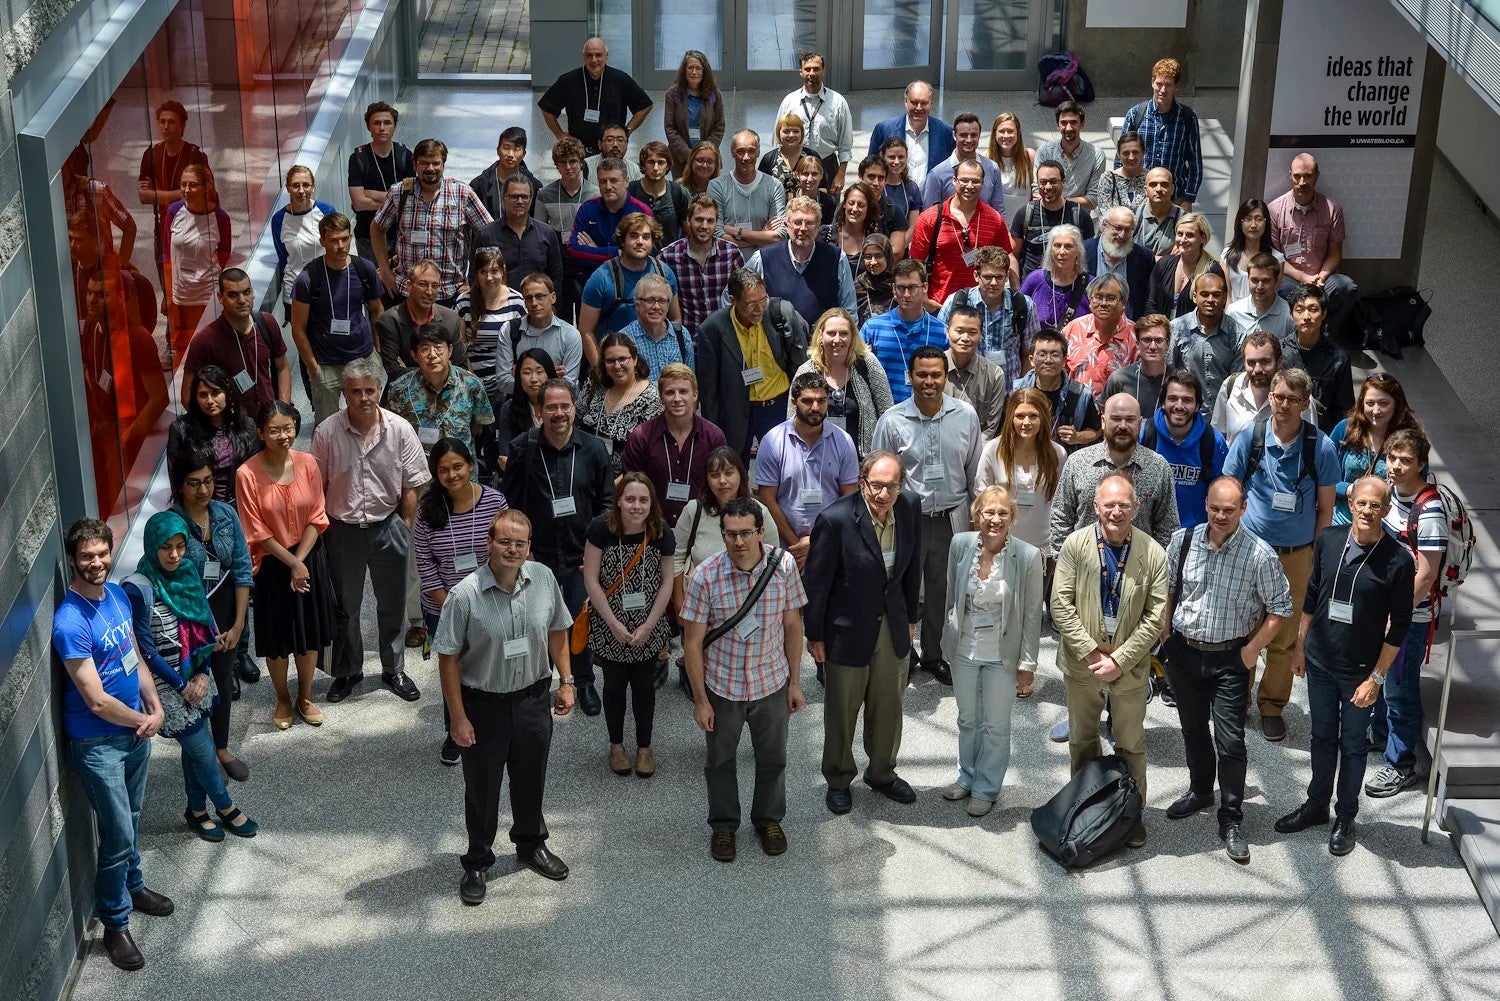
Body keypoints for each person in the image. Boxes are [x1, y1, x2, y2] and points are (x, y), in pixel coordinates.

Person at [435, 508, 575, 905]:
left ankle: (531, 845)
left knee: (531, 779)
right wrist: (458, 718)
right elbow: (447, 658)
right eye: (504, 541)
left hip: (533, 699)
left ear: (529, 547)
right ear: (489, 544)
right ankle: (478, 860)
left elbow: (557, 628)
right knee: (482, 790)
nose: (512, 549)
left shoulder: (544, 578)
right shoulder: (464, 595)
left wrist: (566, 681)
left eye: (520, 543)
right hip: (484, 706)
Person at [53, 518, 172, 972]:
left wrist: (155, 705)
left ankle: (133, 885)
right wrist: (145, 719)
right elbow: (96, 700)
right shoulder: (69, 621)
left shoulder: (118, 596)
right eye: (87, 556)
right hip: (99, 742)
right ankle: (114, 922)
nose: (97, 562)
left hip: (135, 732)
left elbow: (135, 657)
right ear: (72, 560)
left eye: (102, 553)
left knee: (134, 818)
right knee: (119, 829)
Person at [1276, 477, 1412, 856]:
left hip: (1360, 672)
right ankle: (1316, 805)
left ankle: (1345, 816)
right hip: (1320, 661)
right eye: (1362, 503)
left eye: (1376, 506)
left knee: (1353, 746)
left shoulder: (1398, 560)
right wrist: (1300, 647)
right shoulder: (1329, 540)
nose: (1367, 511)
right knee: (1321, 737)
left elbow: (1400, 626)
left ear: (1386, 510)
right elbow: (1313, 593)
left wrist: (1377, 678)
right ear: (1350, 503)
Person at [1159, 477, 1291, 863]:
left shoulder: (1259, 555)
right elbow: (1170, 587)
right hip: (1184, 652)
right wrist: (1167, 630)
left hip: (1229, 658)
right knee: (1192, 729)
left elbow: (1280, 607)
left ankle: (1231, 816)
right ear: (1206, 505)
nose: (1220, 516)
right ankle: (1200, 791)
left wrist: (1251, 651)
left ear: (1243, 509)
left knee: (1230, 740)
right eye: (1215, 508)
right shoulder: (1183, 541)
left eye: (1229, 510)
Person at [681, 498, 807, 863]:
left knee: (773, 758)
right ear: (722, 534)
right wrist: (701, 700)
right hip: (723, 687)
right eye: (730, 534)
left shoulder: (783, 566)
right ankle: (723, 825)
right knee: (719, 760)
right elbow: (692, 642)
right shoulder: (705, 575)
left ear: (760, 532)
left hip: (771, 682)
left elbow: (793, 625)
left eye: (745, 533)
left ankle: (768, 819)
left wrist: (795, 682)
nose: (738, 542)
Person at [123, 510, 259, 843]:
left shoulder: (186, 573)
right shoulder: (138, 587)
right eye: (166, 547)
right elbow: (147, 652)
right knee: (202, 748)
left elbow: (201, 629)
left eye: (180, 546)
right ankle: (226, 807)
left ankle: (196, 811)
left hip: (195, 673)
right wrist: (183, 685)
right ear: (152, 545)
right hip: (165, 684)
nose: (174, 555)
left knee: (192, 749)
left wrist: (200, 673)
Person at [1051, 475, 1169, 848]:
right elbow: (1060, 604)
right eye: (1109, 505)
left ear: (1136, 508)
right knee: (1083, 741)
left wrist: (1119, 660)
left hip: (1129, 668)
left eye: (1124, 505)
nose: (1116, 512)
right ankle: (1084, 812)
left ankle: (1131, 817)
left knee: (1130, 743)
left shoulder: (1153, 553)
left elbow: (1156, 617)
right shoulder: (1075, 545)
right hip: (1082, 665)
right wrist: (1091, 651)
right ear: (1096, 507)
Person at [1222, 367, 1339, 741]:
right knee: (1244, 626)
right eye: (1278, 396)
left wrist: (1318, 555)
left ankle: (1272, 705)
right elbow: (1229, 488)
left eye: (1292, 399)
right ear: (1269, 397)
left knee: (1285, 635)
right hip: (1251, 551)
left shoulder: (1319, 447)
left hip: (1297, 554)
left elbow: (1325, 508)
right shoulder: (1250, 438)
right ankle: (1238, 700)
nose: (1284, 405)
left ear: (1305, 404)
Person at [804, 451, 922, 812]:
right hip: (847, 630)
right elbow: (817, 583)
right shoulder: (835, 519)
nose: (883, 495)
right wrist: (815, 636)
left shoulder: (908, 506)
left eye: (891, 487)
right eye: (876, 486)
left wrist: (912, 615)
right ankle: (839, 779)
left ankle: (882, 772)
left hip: (893, 624)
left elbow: (913, 562)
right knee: (842, 710)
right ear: (862, 482)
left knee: (889, 705)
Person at [310, 359, 431, 703]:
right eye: (355, 391)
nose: (363, 397)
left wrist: (404, 526)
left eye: (369, 390)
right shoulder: (326, 433)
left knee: (391, 605)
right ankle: (349, 671)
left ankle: (393, 670)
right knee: (346, 608)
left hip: (388, 527)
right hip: (342, 531)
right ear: (344, 394)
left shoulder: (400, 429)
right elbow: (316, 486)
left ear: (379, 390)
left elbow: (411, 485)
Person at [501, 378, 615, 717]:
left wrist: (597, 551)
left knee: (579, 620)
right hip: (538, 556)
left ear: (575, 408)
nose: (559, 413)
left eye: (565, 406)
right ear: (539, 411)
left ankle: (583, 681)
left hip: (581, 554)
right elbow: (511, 504)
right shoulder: (523, 448)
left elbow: (606, 504)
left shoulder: (594, 449)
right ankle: (540, 682)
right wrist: (525, 551)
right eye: (551, 407)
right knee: (537, 620)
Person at [872, 346, 985, 685]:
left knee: (942, 591)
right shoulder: (892, 420)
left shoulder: (965, 416)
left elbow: (974, 471)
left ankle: (934, 655)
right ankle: (902, 656)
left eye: (936, 374)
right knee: (901, 589)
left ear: (945, 375)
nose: (929, 381)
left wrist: (974, 521)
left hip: (951, 518)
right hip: (907, 519)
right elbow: (879, 472)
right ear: (910, 376)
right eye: (922, 374)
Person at [941, 485, 1044, 815]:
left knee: (996, 725)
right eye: (988, 512)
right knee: (967, 719)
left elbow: (1031, 615)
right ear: (976, 515)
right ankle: (966, 777)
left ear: (1012, 517)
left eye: (1002, 513)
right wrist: (948, 636)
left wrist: (1027, 663)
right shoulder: (960, 546)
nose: (995, 519)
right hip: (964, 650)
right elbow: (950, 598)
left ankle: (986, 788)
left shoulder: (1027, 556)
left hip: (1003, 653)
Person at [235, 401, 336, 729]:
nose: (283, 436)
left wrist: (301, 562)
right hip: (273, 563)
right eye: (274, 430)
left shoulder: (308, 463)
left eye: (289, 428)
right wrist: (292, 562)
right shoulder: (246, 473)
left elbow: (317, 514)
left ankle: (305, 696)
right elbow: (255, 530)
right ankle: (282, 697)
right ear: (261, 433)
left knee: (309, 633)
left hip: (308, 558)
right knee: (277, 636)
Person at [414, 437, 509, 766]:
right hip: (443, 607)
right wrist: (452, 606)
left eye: (457, 467)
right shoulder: (427, 512)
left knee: (488, 666)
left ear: (471, 466)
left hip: (490, 603)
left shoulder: (495, 501)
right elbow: (425, 565)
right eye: (443, 469)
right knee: (452, 669)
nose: (452, 474)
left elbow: (507, 551)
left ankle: (490, 727)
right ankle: (454, 729)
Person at [1369, 428, 1446, 799]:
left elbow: (1427, 574)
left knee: (1400, 688)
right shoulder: (1391, 494)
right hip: (1384, 610)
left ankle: (1401, 764)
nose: (1396, 466)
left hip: (1410, 619)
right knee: (1381, 680)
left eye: (1405, 460)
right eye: (1392, 457)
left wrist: (1395, 617)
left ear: (1420, 464)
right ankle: (1381, 736)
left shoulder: (1429, 511)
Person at [169, 451, 253, 780]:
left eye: (208, 481)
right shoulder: (171, 524)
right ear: (179, 485)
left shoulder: (225, 513)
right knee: (196, 684)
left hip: (228, 609)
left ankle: (221, 746)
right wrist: (198, 629)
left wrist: (239, 624)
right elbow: (170, 581)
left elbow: (243, 568)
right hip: (192, 617)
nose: (203, 490)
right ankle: (200, 752)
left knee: (222, 678)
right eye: (194, 484)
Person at [584, 474, 675, 777]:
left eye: (644, 500)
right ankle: (616, 746)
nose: (637, 506)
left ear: (652, 503)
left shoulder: (660, 531)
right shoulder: (601, 528)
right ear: (619, 500)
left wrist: (650, 624)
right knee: (613, 686)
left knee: (644, 688)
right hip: (610, 624)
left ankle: (645, 748)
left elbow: (666, 582)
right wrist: (612, 623)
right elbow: (591, 580)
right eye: (631, 499)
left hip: (647, 625)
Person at [977, 390, 1067, 694]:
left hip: (1040, 550)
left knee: (1030, 614)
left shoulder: (1057, 454)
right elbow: (981, 498)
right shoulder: (993, 451)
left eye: (1032, 415)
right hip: (1001, 546)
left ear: (1044, 418)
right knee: (995, 609)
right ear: (1009, 417)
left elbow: (1061, 503)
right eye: (1019, 415)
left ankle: (1025, 671)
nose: (1026, 422)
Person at [671, 448, 776, 672]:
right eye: (714, 474)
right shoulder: (694, 510)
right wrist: (679, 602)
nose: (722, 481)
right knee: (703, 663)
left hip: (749, 606)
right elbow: (677, 557)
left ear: (741, 475)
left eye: (729, 473)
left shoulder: (760, 512)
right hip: (702, 609)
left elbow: (774, 560)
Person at [695, 268, 809, 463]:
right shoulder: (712, 329)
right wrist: (712, 431)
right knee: (735, 469)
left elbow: (801, 364)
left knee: (785, 466)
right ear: (733, 300)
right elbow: (709, 391)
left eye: (763, 300)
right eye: (751, 304)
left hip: (777, 407)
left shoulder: (779, 313)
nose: (759, 308)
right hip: (736, 411)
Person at [1048, 392, 1181, 558]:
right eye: (1116, 419)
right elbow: (1061, 516)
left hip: (1138, 573)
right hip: (1084, 567)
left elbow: (1167, 526)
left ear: (1139, 423)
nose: (1123, 426)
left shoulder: (1158, 467)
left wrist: (1153, 567)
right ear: (1103, 421)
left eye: (1130, 419)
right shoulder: (1077, 462)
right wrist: (1065, 562)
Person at [755, 371, 861, 569]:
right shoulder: (773, 441)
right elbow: (767, 498)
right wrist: (796, 544)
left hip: (831, 544)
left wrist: (817, 542)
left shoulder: (843, 441)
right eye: (807, 401)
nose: (815, 407)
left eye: (821, 401)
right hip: (786, 549)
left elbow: (849, 499)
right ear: (794, 402)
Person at [290, 212, 386, 427]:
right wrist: (313, 367)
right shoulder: (308, 278)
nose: (340, 246)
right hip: (325, 364)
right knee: (327, 427)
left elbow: (377, 310)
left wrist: (378, 351)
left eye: (345, 239)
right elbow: (297, 328)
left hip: (363, 358)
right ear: (323, 241)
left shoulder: (364, 269)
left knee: (369, 419)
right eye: (333, 240)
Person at [371, 138, 493, 307]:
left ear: (443, 164)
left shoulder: (462, 193)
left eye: (436, 163)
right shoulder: (399, 192)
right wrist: (384, 270)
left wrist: (475, 279)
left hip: (450, 293)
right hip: (407, 291)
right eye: (424, 163)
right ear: (415, 165)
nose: (430, 169)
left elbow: (489, 234)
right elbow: (377, 227)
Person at [620, 363, 727, 528]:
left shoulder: (714, 436)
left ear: (695, 395)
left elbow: (722, 487)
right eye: (670, 392)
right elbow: (632, 490)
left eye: (683, 391)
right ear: (661, 397)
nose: (677, 399)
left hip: (701, 527)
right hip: (653, 526)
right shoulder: (641, 437)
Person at [1268, 153, 1358, 337]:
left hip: (1323, 279)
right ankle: (1295, 337)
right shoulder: (1275, 209)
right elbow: (1276, 257)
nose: (1302, 182)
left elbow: (1335, 253)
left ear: (1317, 175)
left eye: (1308, 176)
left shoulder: (1332, 209)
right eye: (1297, 176)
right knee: (1280, 288)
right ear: (1290, 175)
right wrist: (1302, 278)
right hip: (1291, 277)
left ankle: (1327, 335)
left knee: (1347, 287)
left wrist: (1321, 277)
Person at [182, 269, 291, 417]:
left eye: (246, 292)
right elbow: (187, 397)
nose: (241, 300)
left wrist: (282, 411)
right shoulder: (205, 340)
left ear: (253, 293)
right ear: (220, 297)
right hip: (232, 432)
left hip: (269, 425)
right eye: (233, 295)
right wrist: (217, 429)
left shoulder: (266, 322)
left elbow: (283, 366)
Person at [577, 213, 681, 367]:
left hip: (655, 360)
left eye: (646, 237)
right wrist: (601, 371)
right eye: (633, 236)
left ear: (653, 242)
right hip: (615, 364)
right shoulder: (601, 278)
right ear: (622, 240)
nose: (640, 242)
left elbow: (675, 320)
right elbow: (586, 331)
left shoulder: (664, 273)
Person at [787, 307, 892, 459]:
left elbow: (886, 412)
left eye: (843, 333)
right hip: (817, 459)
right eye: (831, 333)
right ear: (820, 336)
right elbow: (792, 419)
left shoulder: (867, 364)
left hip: (862, 462)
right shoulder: (806, 370)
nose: (837, 340)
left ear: (852, 337)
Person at [386, 325, 496, 467]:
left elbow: (477, 426)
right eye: (425, 349)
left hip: (461, 471)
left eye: (438, 347)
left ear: (450, 350)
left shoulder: (471, 384)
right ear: (414, 355)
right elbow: (395, 432)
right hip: (419, 472)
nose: (432, 354)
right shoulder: (400, 388)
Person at [911, 159, 1013, 305]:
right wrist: (924, 300)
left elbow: (1006, 257)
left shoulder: (994, 219)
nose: (970, 186)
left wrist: (1016, 291)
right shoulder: (930, 218)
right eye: (964, 180)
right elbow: (915, 263)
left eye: (976, 181)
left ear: (983, 183)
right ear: (954, 181)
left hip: (981, 306)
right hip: (940, 303)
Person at [744, 195, 857, 326]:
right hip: (775, 343)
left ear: (818, 226)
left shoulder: (836, 258)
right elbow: (738, 296)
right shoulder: (764, 258)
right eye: (797, 222)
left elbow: (849, 310)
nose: (803, 228)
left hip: (822, 343)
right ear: (786, 225)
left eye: (809, 223)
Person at [936, 246, 1039, 385]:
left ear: (1007, 276)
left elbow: (1030, 354)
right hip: (964, 390)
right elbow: (939, 348)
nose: (994, 283)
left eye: (999, 277)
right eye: (988, 277)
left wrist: (1021, 389)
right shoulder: (956, 303)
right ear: (976, 276)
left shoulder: (1023, 305)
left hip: (1008, 390)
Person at [1330, 374, 1422, 524]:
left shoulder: (1410, 438)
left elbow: (1420, 484)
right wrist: (1348, 489)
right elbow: (1320, 476)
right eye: (1370, 403)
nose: (1376, 411)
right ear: (1361, 404)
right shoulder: (1345, 429)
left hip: (1389, 526)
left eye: (1384, 403)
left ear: (1397, 404)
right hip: (1341, 522)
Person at [537, 36, 653, 155]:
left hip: (611, 150)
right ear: (584, 57)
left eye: (598, 55)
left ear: (606, 56)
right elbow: (546, 107)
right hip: (579, 150)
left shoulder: (620, 79)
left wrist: (627, 130)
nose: (594, 60)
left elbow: (644, 105)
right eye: (589, 55)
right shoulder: (569, 80)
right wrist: (559, 134)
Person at [163, 163, 233, 358]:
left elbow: (224, 256)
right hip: (180, 296)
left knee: (210, 347)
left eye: (192, 185)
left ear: (206, 187)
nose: (186, 190)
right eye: (183, 184)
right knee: (183, 351)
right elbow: (167, 256)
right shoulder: (173, 212)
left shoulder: (220, 218)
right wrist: (169, 295)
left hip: (206, 296)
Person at [1144, 370, 1228, 530]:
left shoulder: (1212, 442)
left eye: (1187, 400)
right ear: (1163, 402)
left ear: (1197, 406)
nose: (1179, 406)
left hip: (1194, 535)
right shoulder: (1145, 434)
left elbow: (1221, 494)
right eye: (1173, 399)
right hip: (1149, 533)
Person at [168, 365, 262, 505]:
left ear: (227, 393)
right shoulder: (181, 429)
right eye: (203, 394)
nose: (210, 401)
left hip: (241, 507)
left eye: (215, 393)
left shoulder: (246, 426)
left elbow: (257, 473)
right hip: (199, 508)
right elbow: (176, 480)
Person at [1118, 58, 1203, 209]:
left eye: (1168, 85)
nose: (1163, 90)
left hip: (1175, 199)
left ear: (1176, 86)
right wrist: (1122, 194)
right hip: (1139, 197)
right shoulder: (1136, 114)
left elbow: (1195, 162)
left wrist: (1189, 199)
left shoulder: (1187, 118)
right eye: (1159, 84)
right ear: (1152, 82)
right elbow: (1121, 157)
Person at [861, 260, 949, 404]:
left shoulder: (941, 332)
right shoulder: (873, 328)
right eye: (901, 288)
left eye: (913, 287)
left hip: (928, 413)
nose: (906, 294)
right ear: (894, 289)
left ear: (925, 287)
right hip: (884, 414)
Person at [138, 99, 209, 275]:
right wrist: (180, 194)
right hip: (163, 227)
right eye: (162, 122)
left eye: (171, 122)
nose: (166, 127)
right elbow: (144, 196)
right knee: (166, 275)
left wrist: (157, 194)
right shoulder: (152, 155)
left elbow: (206, 193)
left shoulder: (195, 156)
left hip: (192, 225)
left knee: (190, 274)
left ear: (182, 126)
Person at [454, 248, 526, 417]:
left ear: (503, 271)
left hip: (508, 379)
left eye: (494, 271)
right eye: (483, 272)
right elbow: (461, 347)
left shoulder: (517, 301)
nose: (489, 277)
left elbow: (524, 342)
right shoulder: (464, 302)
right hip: (473, 379)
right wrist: (473, 380)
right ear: (476, 274)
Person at [580, 331, 664, 476]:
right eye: (610, 361)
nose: (617, 366)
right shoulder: (594, 385)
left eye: (623, 359)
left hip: (625, 484)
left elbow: (651, 456)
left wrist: (611, 488)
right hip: (584, 476)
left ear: (635, 359)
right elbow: (574, 422)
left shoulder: (652, 399)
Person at [373, 259, 471, 381]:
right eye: (423, 284)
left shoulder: (450, 319)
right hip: (407, 395)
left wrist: (410, 371)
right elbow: (394, 373)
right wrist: (441, 368)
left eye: (434, 286)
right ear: (409, 285)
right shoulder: (389, 322)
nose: (429, 292)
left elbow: (460, 367)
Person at [535, 137, 598, 322]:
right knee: (559, 318)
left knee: (586, 318)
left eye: (573, 161)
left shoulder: (595, 194)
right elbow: (539, 231)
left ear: (581, 162)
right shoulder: (544, 194)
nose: (569, 167)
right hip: (557, 263)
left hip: (585, 262)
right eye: (563, 162)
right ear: (557, 165)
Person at [1211, 332, 1313, 445]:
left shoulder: (1298, 395)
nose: (1257, 369)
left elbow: (1311, 443)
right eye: (1251, 362)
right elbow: (1217, 436)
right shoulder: (1230, 386)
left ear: (1279, 362)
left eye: (1265, 362)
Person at [471, 176, 564, 299]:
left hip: (536, 307)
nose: (520, 201)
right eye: (514, 196)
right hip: (499, 309)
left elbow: (556, 276)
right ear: (504, 199)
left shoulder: (547, 233)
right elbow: (474, 275)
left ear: (531, 200)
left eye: (524, 197)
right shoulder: (485, 235)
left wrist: (551, 306)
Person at [347, 102, 416, 267]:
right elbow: (359, 203)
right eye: (377, 123)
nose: (382, 128)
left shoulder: (405, 156)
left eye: (387, 123)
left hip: (401, 234)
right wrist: (395, 200)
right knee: (373, 285)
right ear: (368, 127)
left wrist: (372, 194)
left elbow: (411, 200)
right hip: (367, 235)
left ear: (395, 126)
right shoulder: (358, 159)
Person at [660, 194, 740, 335]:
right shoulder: (668, 257)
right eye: (699, 220)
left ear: (716, 224)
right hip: (688, 340)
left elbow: (743, 296)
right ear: (688, 221)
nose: (704, 226)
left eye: (710, 221)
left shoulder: (731, 253)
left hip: (725, 338)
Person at [1168, 270, 1245, 414]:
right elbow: (1168, 372)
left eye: (1216, 295)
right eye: (1204, 294)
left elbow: (1237, 383)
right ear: (1195, 297)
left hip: (1223, 413)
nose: (1210, 299)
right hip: (1184, 413)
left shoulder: (1238, 333)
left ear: (1224, 298)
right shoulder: (1177, 328)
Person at [1014, 328, 1102, 452]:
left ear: (1064, 360)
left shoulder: (1081, 394)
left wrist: (1077, 437)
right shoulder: (1017, 391)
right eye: (1042, 354)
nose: (1048, 360)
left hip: (1066, 462)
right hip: (1025, 459)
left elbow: (1096, 430)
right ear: (1031, 360)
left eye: (1055, 355)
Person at [777, 51, 853, 191]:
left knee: (828, 209)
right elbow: (778, 141)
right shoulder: (789, 102)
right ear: (801, 72)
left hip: (828, 166)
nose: (812, 73)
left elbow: (845, 144)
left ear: (823, 71)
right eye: (807, 69)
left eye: (816, 69)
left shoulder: (838, 102)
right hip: (796, 165)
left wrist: (841, 175)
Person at [271, 166, 337, 322]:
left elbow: (336, 248)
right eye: (295, 185)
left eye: (306, 185)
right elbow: (283, 257)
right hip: (294, 291)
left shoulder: (326, 211)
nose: (301, 190)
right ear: (288, 188)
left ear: (313, 187)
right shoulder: (279, 219)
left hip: (327, 287)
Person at [1287, 284, 1354, 434]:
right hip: (1285, 433)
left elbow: (1345, 408)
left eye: (1313, 309)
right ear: (1291, 314)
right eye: (1299, 310)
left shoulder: (1338, 358)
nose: (1306, 317)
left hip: (1323, 436)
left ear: (1324, 313)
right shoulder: (1280, 352)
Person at [1010, 161, 1094, 280]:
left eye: (1054, 182)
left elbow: (1089, 256)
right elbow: (1012, 254)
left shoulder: (1079, 215)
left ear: (1063, 182)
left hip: (1070, 288)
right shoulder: (1025, 214)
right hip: (1031, 289)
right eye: (1043, 182)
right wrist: (1017, 290)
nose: (1048, 187)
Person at [710, 130, 789, 253]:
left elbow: (780, 235)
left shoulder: (774, 186)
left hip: (764, 263)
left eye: (751, 151)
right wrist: (762, 235)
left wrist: (738, 232)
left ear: (758, 152)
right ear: (732, 152)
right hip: (727, 263)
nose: (746, 157)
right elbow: (716, 233)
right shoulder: (717, 186)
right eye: (740, 151)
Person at [867, 80, 954, 188]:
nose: (918, 108)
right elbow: (871, 167)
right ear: (905, 102)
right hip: (893, 201)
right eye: (914, 102)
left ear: (931, 104)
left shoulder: (946, 132)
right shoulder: (883, 129)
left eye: (924, 103)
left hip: (933, 201)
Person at [1063, 274, 1136, 396]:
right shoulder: (1073, 329)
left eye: (1111, 298)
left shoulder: (1135, 336)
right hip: (1076, 409)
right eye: (1098, 297)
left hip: (1117, 411)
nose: (1103, 303)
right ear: (1090, 302)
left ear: (1123, 303)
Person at [508, 274, 585, 391]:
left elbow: (569, 384)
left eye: (540, 296)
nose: (534, 303)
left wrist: (521, 376)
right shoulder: (509, 330)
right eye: (529, 298)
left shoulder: (570, 334)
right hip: (521, 404)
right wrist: (553, 376)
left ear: (553, 297)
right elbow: (504, 381)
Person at [922, 113, 1006, 214]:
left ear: (979, 135)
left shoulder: (992, 168)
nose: (969, 140)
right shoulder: (937, 174)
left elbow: (998, 211)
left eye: (974, 135)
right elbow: (928, 216)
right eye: (963, 135)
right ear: (954, 135)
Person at [1145, 213, 1224, 319]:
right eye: (1180, 234)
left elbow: (1216, 308)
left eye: (1190, 235)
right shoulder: (1163, 264)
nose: (1183, 240)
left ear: (1203, 238)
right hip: (1160, 331)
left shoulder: (1212, 270)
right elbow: (1150, 303)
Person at [944, 306, 1006, 438]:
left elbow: (990, 428)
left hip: (977, 452)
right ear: (947, 332)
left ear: (981, 335)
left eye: (972, 332)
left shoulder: (994, 375)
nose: (965, 338)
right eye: (959, 331)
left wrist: (973, 455)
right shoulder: (932, 369)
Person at [618, 274, 693, 380]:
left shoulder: (681, 334)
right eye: (649, 300)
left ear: (668, 305)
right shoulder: (623, 340)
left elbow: (689, 380)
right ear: (637, 304)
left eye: (662, 301)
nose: (656, 307)